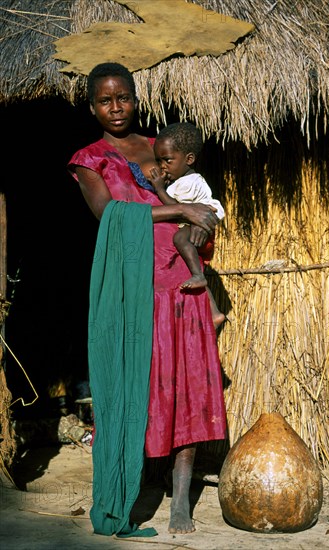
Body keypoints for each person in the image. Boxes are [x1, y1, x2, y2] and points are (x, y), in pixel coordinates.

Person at [67, 62, 227, 538]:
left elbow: (200, 198)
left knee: (186, 386)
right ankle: (131, 487)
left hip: (182, 282)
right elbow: (108, 214)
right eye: (104, 100)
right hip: (134, 287)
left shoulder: (163, 147)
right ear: (92, 105)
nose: (115, 108)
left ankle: (181, 501)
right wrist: (179, 209)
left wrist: (200, 220)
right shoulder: (89, 159)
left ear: (136, 97)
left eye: (123, 97)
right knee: (135, 386)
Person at [147, 122, 226, 329]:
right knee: (184, 260)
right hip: (194, 228)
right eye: (159, 160)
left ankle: (199, 277)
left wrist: (158, 189)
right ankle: (214, 311)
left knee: (179, 239)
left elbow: (176, 207)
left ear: (189, 159)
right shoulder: (182, 181)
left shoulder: (189, 183)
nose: (163, 166)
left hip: (196, 230)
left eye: (168, 160)